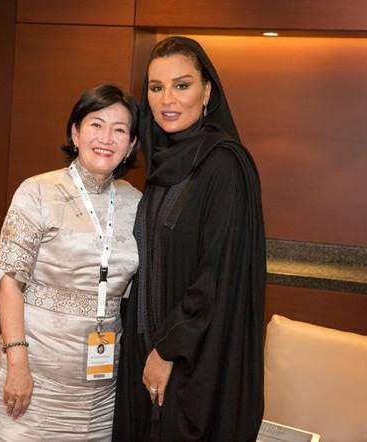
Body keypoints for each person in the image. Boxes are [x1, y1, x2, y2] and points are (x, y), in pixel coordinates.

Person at [113, 36, 266, 441]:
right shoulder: (163, 166)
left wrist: (168, 350)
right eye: (156, 87)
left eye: (182, 85)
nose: (168, 99)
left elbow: (216, 273)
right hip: (147, 351)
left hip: (192, 362)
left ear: (207, 91)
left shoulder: (224, 164)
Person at [0, 84, 141, 441]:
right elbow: (9, 280)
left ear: (131, 144)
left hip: (100, 391)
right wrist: (17, 364)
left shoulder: (138, 204)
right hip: (33, 377)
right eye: (96, 125)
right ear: (75, 132)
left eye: (119, 130)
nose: (106, 138)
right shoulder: (37, 191)